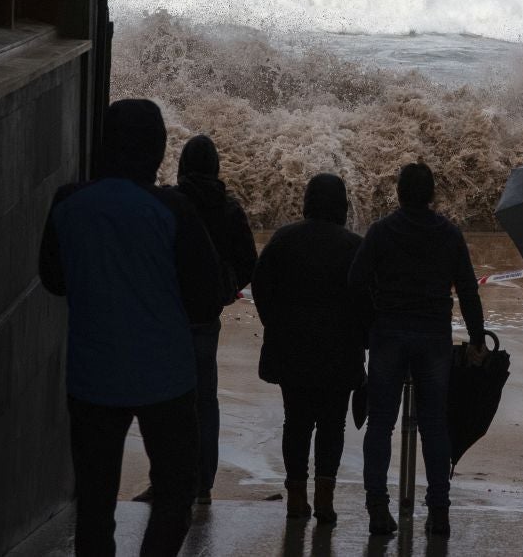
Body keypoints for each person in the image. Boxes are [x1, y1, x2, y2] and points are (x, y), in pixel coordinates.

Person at [39, 99, 224, 557]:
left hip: (92, 376)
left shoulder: (68, 202)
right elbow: (207, 295)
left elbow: (53, 279)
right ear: (157, 149)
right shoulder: (173, 210)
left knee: (95, 505)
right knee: (175, 495)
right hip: (165, 379)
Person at [349, 162, 486, 539]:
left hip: (389, 334)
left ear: (398, 193)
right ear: (432, 196)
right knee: (434, 425)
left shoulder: (380, 232)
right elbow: (469, 289)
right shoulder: (449, 234)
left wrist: (370, 323)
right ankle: (438, 511)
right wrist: (477, 339)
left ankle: (377, 506)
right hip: (433, 338)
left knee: (380, 423)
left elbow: (356, 281)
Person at [134, 134, 257, 506]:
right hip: (206, 317)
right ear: (216, 167)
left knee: (165, 401)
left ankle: (165, 482)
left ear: (183, 165)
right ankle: (202, 485)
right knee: (205, 401)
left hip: (167, 315)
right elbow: (249, 264)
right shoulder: (230, 209)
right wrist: (226, 286)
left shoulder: (170, 203)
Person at [252, 173, 366, 525]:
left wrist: (274, 323)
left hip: (293, 350)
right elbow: (366, 300)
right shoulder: (354, 246)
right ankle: (325, 499)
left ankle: (296, 498)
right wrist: (362, 339)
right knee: (333, 424)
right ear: (342, 206)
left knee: (296, 422)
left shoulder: (285, 239)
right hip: (339, 352)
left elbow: (260, 285)